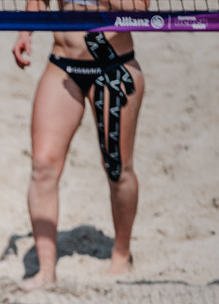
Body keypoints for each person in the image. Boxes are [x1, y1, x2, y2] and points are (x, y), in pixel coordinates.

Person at [12, 0, 146, 289]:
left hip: (114, 64)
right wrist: (25, 31)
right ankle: (45, 271)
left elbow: (139, 7)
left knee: (117, 169)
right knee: (43, 165)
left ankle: (121, 254)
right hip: (62, 64)